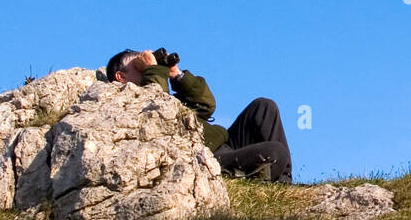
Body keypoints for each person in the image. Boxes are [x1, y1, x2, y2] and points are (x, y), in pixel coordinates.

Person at [105, 49, 292, 183]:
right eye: (139, 66)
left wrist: (176, 75)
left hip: (228, 145)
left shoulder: (167, 100)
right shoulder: (132, 108)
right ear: (121, 77)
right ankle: (258, 179)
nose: (147, 68)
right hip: (207, 159)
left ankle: (284, 183)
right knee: (275, 151)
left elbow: (207, 105)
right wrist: (153, 71)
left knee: (264, 106)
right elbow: (159, 117)